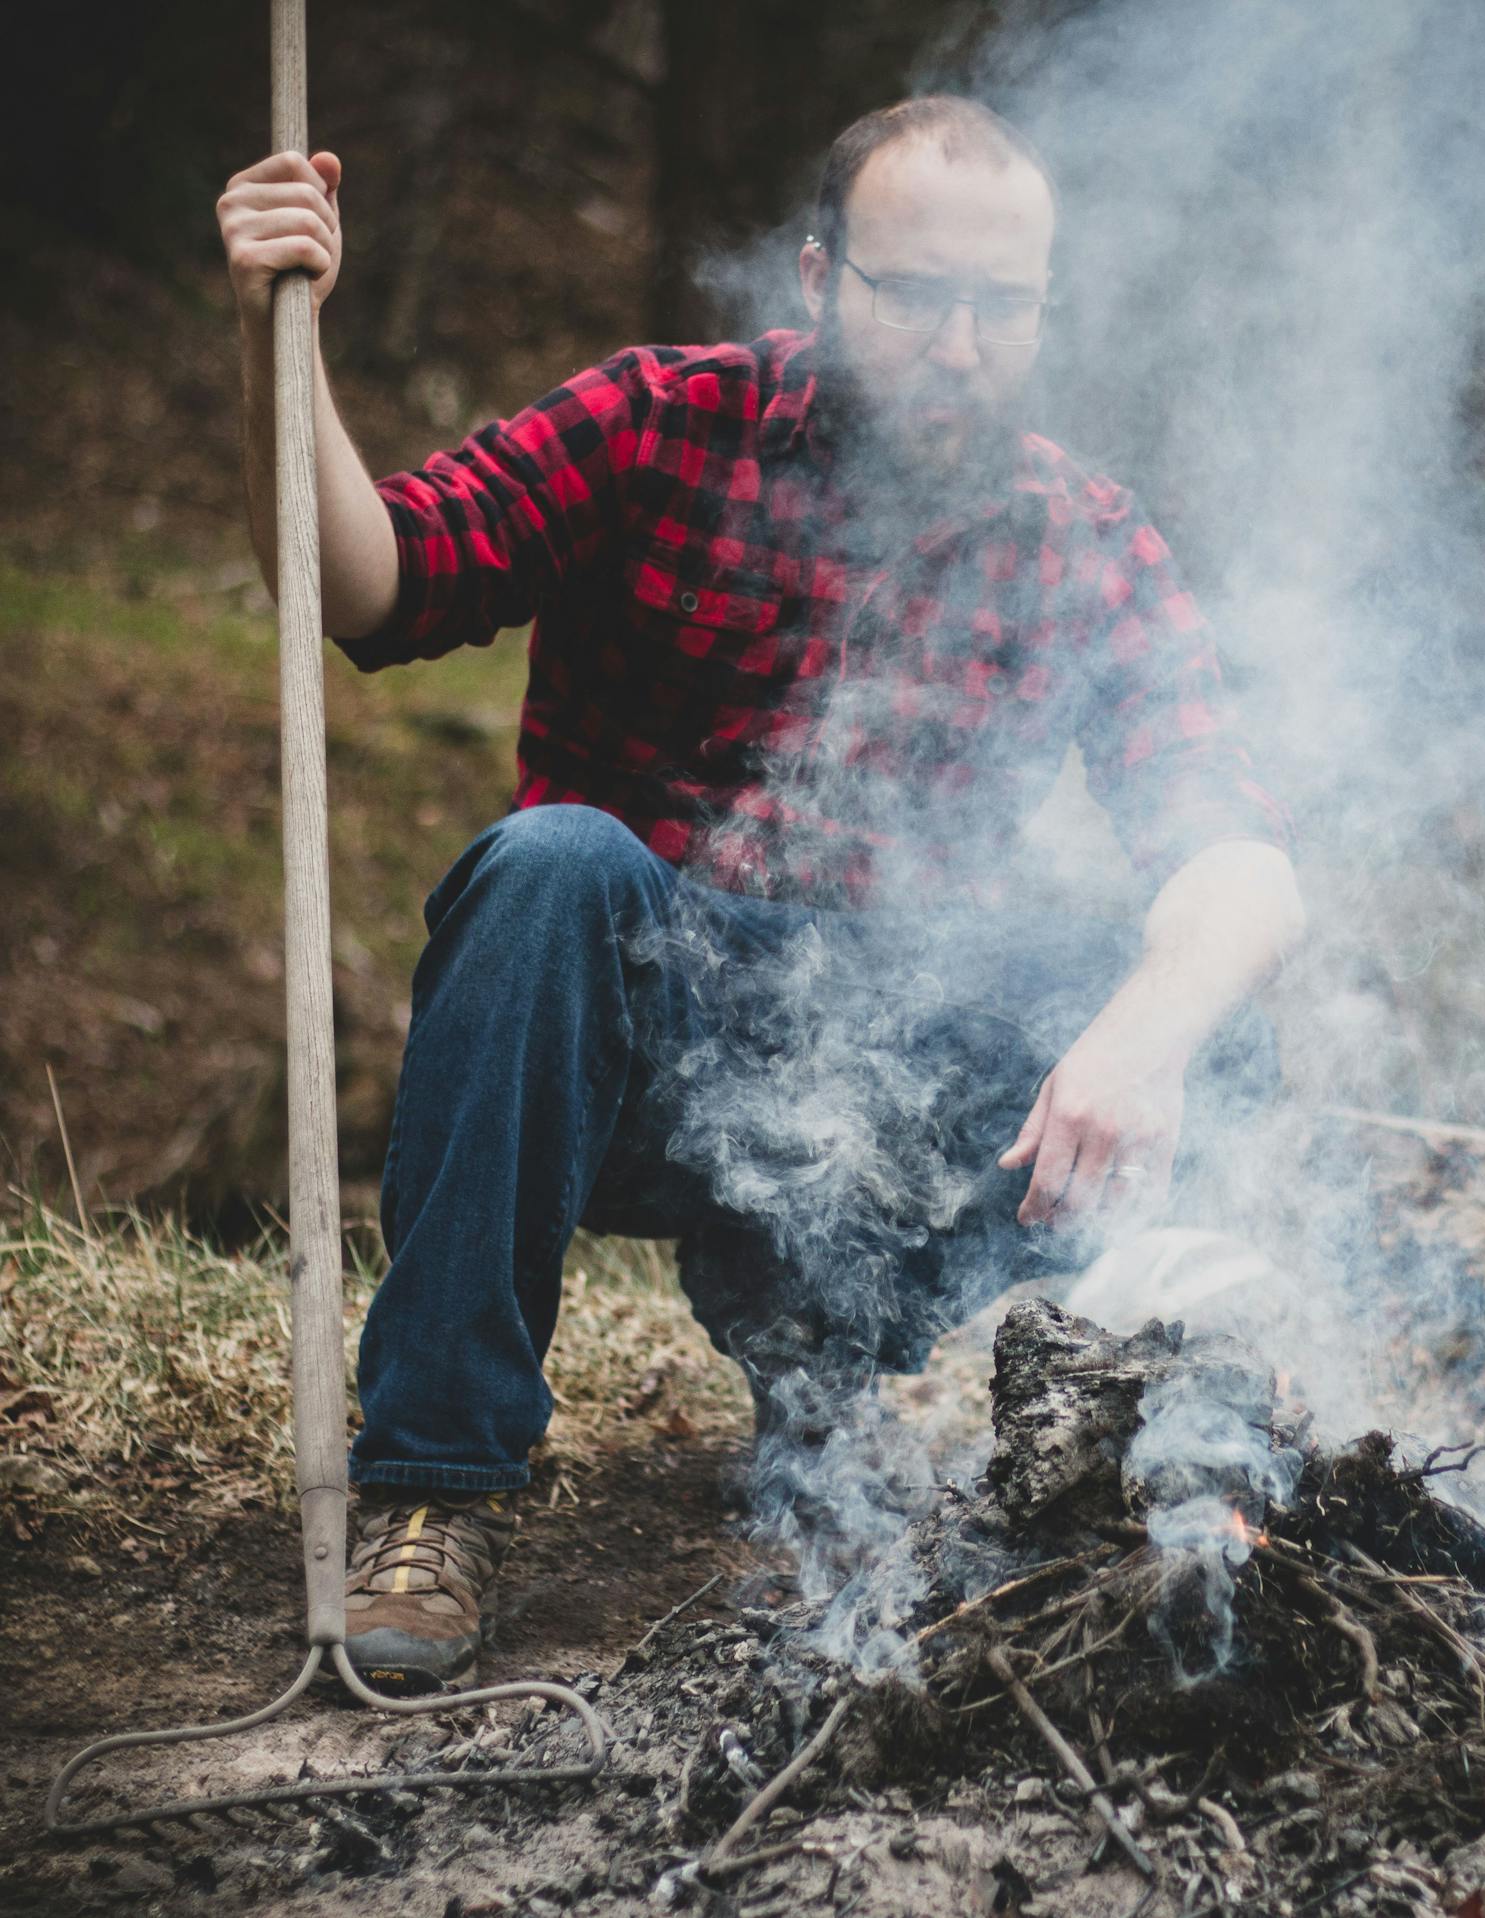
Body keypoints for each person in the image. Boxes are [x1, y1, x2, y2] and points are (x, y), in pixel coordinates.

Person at [217, 96, 1305, 1692]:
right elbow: (375, 577)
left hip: (885, 1082)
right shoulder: (661, 422)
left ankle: (1146, 1469)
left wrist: (1145, 1031)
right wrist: (275, 340)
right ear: (818, 277)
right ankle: (432, 1490)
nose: (959, 343)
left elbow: (1241, 855)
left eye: (1002, 307)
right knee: (555, 861)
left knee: (1207, 1008)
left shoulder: (1080, 540)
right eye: (914, 294)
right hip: (642, 1040)